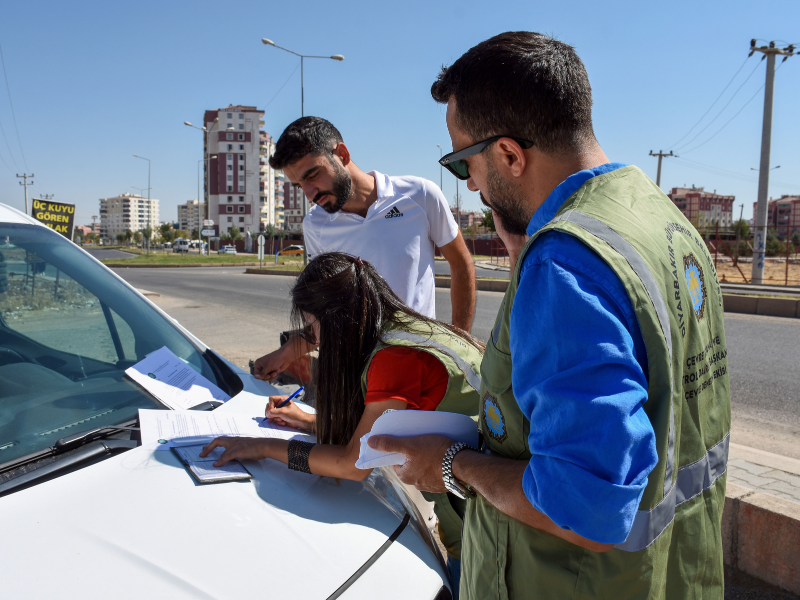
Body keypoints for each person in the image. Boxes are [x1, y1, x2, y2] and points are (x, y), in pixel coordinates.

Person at [368, 31, 731, 599]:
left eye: (466, 164)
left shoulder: (565, 262)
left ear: (510, 154)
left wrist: (451, 464)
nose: (475, 187)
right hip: (674, 574)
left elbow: (584, 507)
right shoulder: (657, 215)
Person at [201, 252, 483, 596]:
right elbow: (375, 428)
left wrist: (260, 446)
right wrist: (307, 421)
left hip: (483, 532)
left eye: (312, 326)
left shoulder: (394, 359)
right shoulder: (405, 329)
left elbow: (353, 465)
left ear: (336, 321)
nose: (314, 339)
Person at [252, 117, 476, 382]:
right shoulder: (315, 224)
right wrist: (286, 353)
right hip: (358, 377)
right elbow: (326, 314)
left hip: (422, 367)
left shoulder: (420, 195)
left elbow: (461, 264)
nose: (310, 194)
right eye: (299, 185)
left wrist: (458, 346)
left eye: (312, 175)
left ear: (342, 154)